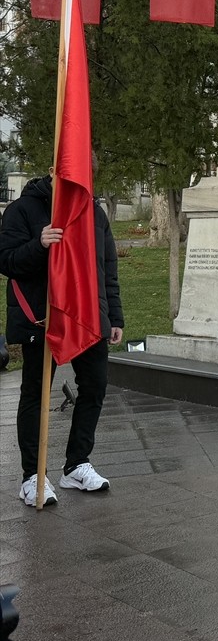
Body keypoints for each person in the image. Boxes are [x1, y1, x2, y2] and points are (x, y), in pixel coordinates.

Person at [0, 173, 123, 507]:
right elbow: (6, 261)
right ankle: (32, 476)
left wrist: (114, 317)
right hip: (43, 317)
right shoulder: (22, 210)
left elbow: (107, 268)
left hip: (88, 318)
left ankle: (76, 464)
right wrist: (38, 245)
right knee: (35, 394)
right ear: (57, 171)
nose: (81, 184)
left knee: (94, 388)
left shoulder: (94, 213)